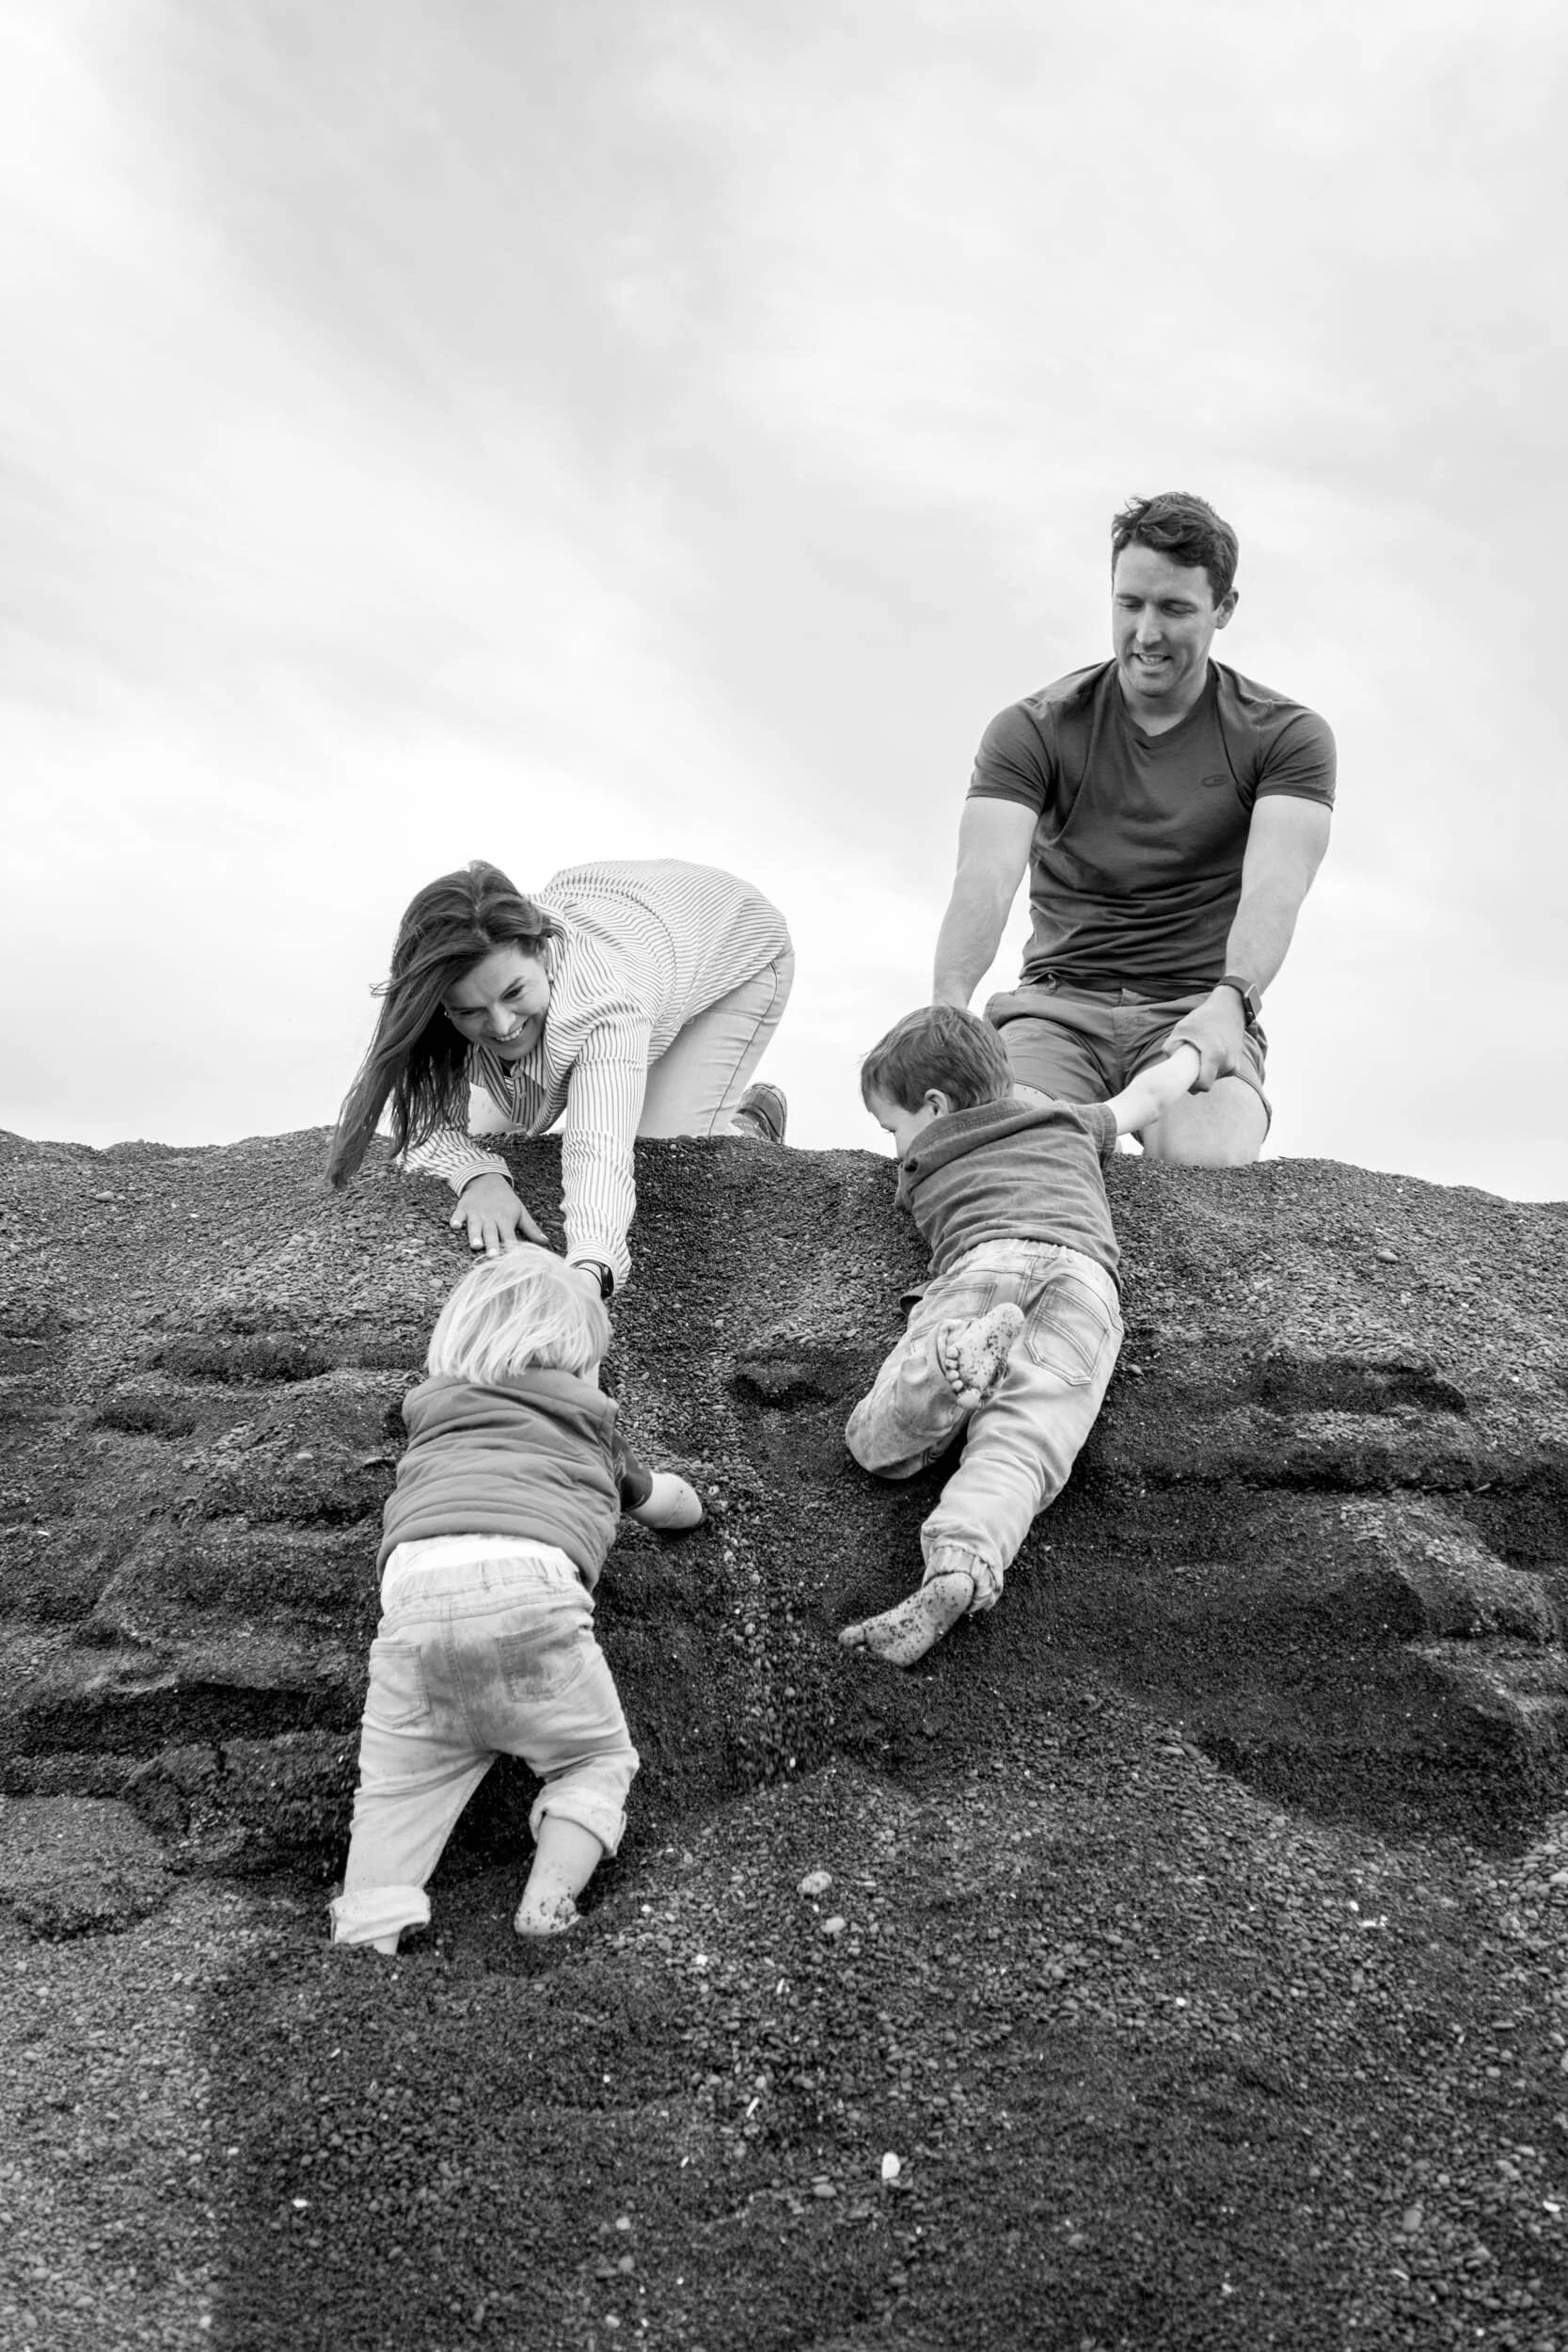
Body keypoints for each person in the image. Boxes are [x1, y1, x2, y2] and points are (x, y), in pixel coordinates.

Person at [931, 491, 1335, 1167]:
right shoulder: (1032, 728)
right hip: (1056, 1009)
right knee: (1007, 1151)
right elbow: (986, 875)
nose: (1146, 633)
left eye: (1174, 609)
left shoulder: (1286, 736)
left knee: (1208, 1164)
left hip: (1198, 1011)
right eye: (1130, 604)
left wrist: (1232, 1000)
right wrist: (947, 1005)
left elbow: (1276, 887)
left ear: (1224, 608)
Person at [840, 1004, 1199, 1668]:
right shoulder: (1067, 1120)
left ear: (936, 1106)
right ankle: (961, 1563)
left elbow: (910, 1168)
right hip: (1084, 1284)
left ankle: (945, 1368)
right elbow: (1149, 1098)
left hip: (983, 1265)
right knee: (1021, 1444)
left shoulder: (924, 1158)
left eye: (892, 1127)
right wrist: (1194, 1054)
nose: (896, 1146)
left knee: (876, 1442)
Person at [329, 1247, 641, 1951]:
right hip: (532, 1601)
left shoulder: (430, 1416)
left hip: (414, 1617)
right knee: (592, 1760)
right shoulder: (590, 1425)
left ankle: (367, 1934)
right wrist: (694, 1505)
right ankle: (547, 1900)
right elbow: (664, 1503)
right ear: (579, 1364)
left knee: (393, 1798)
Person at [328, 857, 793, 1290]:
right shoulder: (439, 999)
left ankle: (748, 1125)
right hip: (640, 921)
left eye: (514, 993)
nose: (502, 1026)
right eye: (470, 1011)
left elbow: (598, 1150)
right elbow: (423, 1126)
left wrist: (587, 1274)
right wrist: (478, 1175)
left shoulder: (605, 1003)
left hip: (733, 941)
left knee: (662, 1151)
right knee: (489, 1135)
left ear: (542, 953)